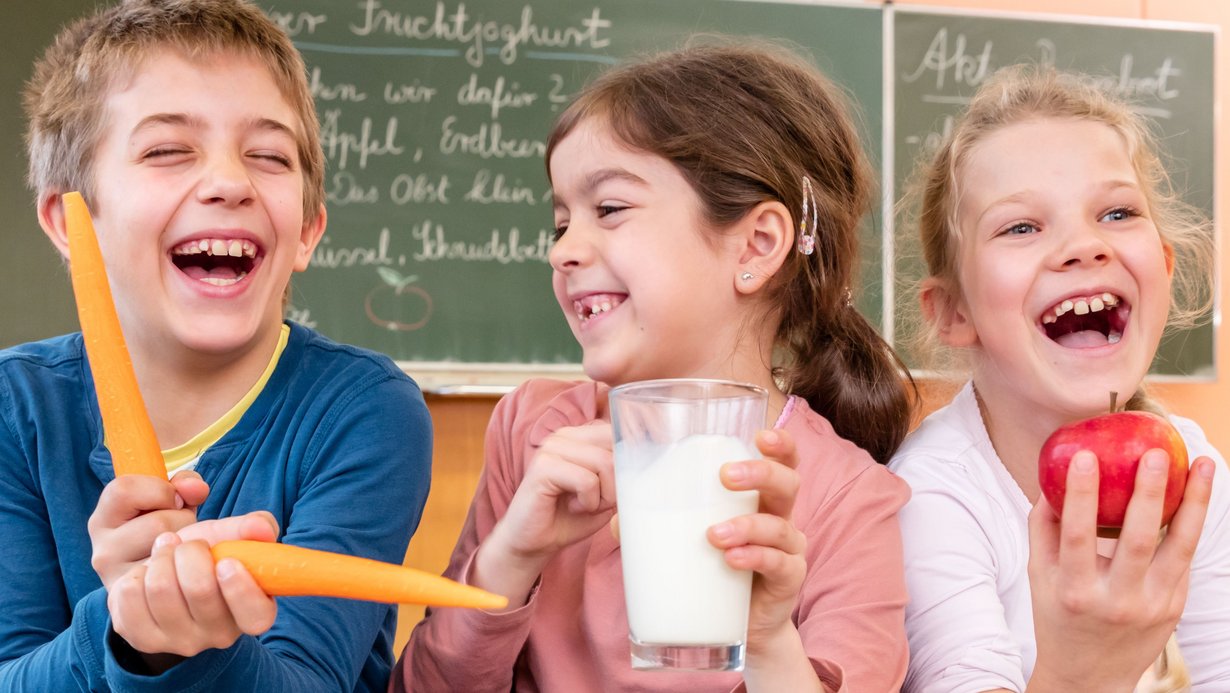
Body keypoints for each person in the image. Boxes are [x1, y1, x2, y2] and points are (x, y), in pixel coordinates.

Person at [392, 41, 917, 692]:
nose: (563, 252)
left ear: (756, 245)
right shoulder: (532, 430)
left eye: (608, 209)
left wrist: (768, 643)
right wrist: (512, 554)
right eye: (560, 224)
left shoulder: (849, 499)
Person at [1, 0, 432, 690]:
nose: (231, 182)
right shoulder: (14, 408)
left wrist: (180, 642)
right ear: (69, 220)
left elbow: (307, 681)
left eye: (268, 155)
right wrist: (123, 628)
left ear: (308, 230)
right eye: (167, 150)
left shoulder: (365, 412)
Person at [890, 64, 1230, 692]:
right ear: (954, 312)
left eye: (1119, 212)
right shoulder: (932, 495)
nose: (1084, 244)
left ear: (1163, 262)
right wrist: (1080, 675)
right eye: (1021, 226)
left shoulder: (1192, 468)